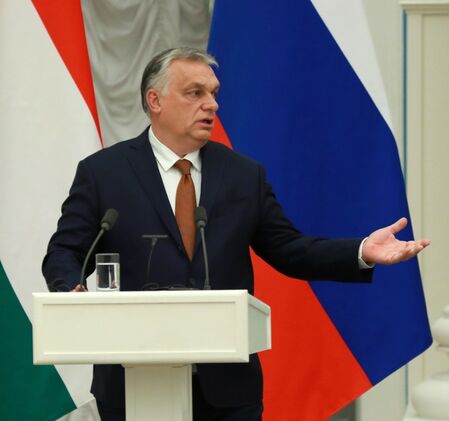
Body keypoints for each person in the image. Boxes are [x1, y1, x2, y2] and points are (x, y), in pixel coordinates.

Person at [42, 47, 429, 421]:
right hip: (133, 385)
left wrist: (361, 250)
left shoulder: (243, 175)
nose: (211, 104)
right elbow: (65, 251)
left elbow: (289, 249)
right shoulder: (103, 173)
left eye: (213, 94)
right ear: (155, 100)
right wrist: (71, 290)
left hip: (227, 393)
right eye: (195, 93)